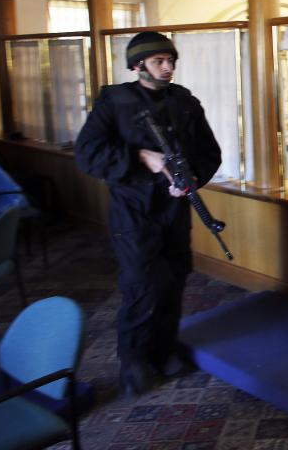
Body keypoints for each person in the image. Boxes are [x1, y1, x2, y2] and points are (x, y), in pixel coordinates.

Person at [75, 31, 221, 397]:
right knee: (142, 284)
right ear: (138, 65)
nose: (168, 67)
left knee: (174, 278)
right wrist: (141, 157)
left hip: (174, 207)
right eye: (159, 61)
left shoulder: (184, 102)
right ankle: (135, 360)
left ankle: (165, 348)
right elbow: (88, 154)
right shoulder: (114, 103)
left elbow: (209, 152)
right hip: (133, 211)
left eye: (171, 60)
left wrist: (190, 180)